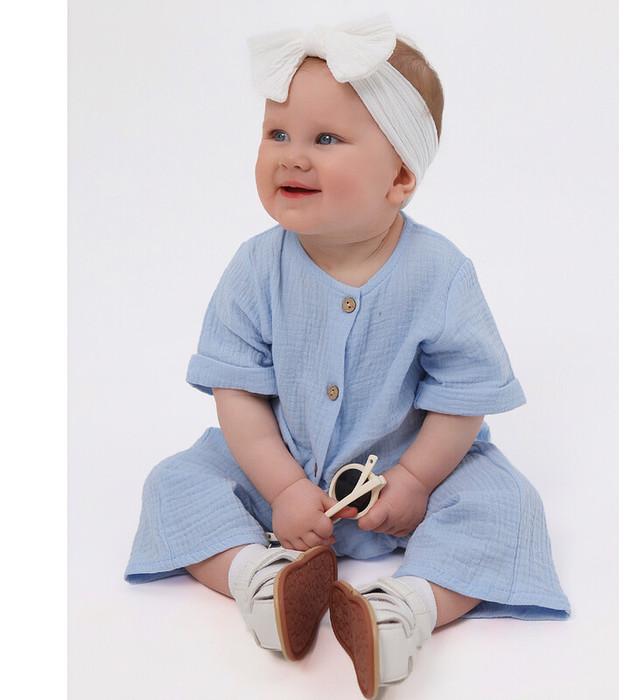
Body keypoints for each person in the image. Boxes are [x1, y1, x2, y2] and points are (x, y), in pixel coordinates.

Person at [125, 15, 570, 699]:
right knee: (173, 483)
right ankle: (263, 583)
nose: (291, 156)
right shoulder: (256, 267)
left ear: (400, 176)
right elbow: (236, 392)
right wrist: (281, 487)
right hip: (281, 460)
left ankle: (404, 612)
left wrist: (416, 478)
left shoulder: (440, 273)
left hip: (411, 473)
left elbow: (464, 395)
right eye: (277, 134)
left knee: (508, 505)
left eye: (325, 139)